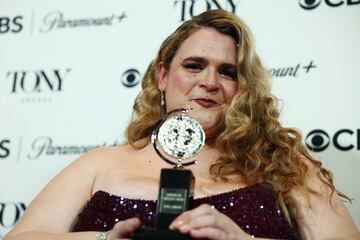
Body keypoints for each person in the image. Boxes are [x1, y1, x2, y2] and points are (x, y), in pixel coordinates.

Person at [4, 9, 360, 240]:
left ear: (243, 87)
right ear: (162, 75)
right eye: (193, 65)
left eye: (227, 72)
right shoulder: (100, 163)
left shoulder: (282, 163)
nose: (209, 81)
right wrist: (104, 239)